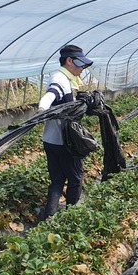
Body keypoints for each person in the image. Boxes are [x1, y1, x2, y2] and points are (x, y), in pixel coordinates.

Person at [38, 44, 93, 218]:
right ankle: (70, 216)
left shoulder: (67, 79)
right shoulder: (60, 79)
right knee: (76, 178)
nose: (83, 68)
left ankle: (49, 217)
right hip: (64, 143)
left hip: (50, 140)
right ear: (69, 61)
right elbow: (51, 95)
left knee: (57, 180)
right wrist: (42, 108)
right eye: (80, 64)